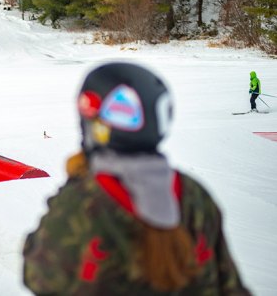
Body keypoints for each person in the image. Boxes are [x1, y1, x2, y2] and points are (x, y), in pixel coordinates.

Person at [23, 62, 251, 295]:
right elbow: (229, 285)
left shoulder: (82, 203)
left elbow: (37, 274)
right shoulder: (194, 195)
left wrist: (75, 183)